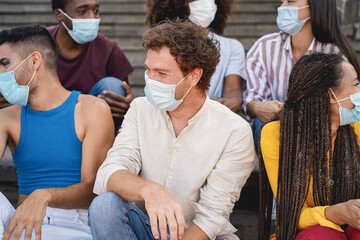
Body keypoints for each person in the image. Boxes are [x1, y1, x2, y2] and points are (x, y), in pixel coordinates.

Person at [89, 19, 255, 240]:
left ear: (194, 76)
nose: (151, 80)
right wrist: (151, 191)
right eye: (149, 70)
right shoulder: (140, 109)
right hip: (147, 227)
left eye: (162, 73)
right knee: (104, 206)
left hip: (199, 235)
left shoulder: (234, 130)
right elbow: (110, 172)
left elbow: (212, 217)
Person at [0, 24, 114, 239]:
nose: (0, 72)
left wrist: (45, 195)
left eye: (4, 63)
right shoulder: (7, 116)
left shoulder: (91, 109)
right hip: (20, 226)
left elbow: (93, 189)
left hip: (75, 224)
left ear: (34, 61)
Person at [259, 53, 360, 240]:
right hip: (308, 232)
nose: (359, 90)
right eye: (356, 84)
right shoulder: (277, 135)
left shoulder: (356, 126)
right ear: (331, 95)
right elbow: (292, 215)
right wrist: (336, 213)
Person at [244, 0, 360, 152]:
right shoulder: (264, 47)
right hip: (276, 129)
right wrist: (259, 107)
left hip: (322, 129)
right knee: (262, 125)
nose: (282, 7)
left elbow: (345, 107)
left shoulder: (335, 55)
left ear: (315, 7)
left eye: (290, 1)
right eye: (282, 2)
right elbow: (251, 101)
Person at [145, 0, 246, 113]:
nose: (206, 3)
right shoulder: (165, 45)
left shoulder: (232, 46)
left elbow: (233, 89)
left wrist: (232, 101)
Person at [48, 0, 134, 130]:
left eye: (96, 11)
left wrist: (128, 103)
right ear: (59, 14)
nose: (92, 18)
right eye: (82, 11)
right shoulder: (40, 44)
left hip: (92, 125)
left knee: (113, 87)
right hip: (50, 118)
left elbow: (122, 92)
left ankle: (97, 147)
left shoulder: (108, 49)